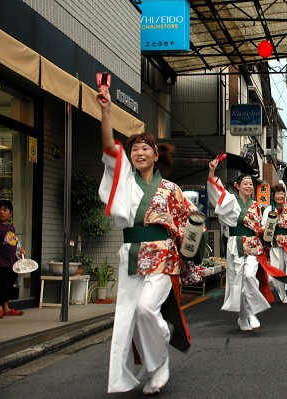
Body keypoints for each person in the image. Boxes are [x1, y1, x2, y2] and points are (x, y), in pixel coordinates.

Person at [97, 87, 195, 394]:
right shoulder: (125, 181)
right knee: (130, 316)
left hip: (163, 259)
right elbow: (109, 148)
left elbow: (190, 223)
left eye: (145, 148)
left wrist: (184, 242)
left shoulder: (171, 189)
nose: (139, 153)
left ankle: (160, 361)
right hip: (132, 256)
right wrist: (106, 111)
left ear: (156, 154)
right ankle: (156, 366)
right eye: (134, 149)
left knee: (145, 309)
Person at [207, 159, 287, 332]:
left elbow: (260, 226)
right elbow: (217, 193)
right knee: (238, 283)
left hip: (253, 245)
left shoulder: (256, 206)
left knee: (249, 276)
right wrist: (211, 173)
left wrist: (266, 231)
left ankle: (252, 311)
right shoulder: (230, 200)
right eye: (245, 183)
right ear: (238, 186)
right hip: (236, 245)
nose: (249, 186)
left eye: (251, 184)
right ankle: (243, 317)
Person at [0, 200, 24, 318]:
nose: (1, 212)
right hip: (1, 262)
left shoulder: (11, 227)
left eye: (4, 210)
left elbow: (13, 242)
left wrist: (20, 249)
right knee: (1, 285)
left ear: (11, 214)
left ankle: (6, 308)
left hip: (11, 262)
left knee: (9, 284)